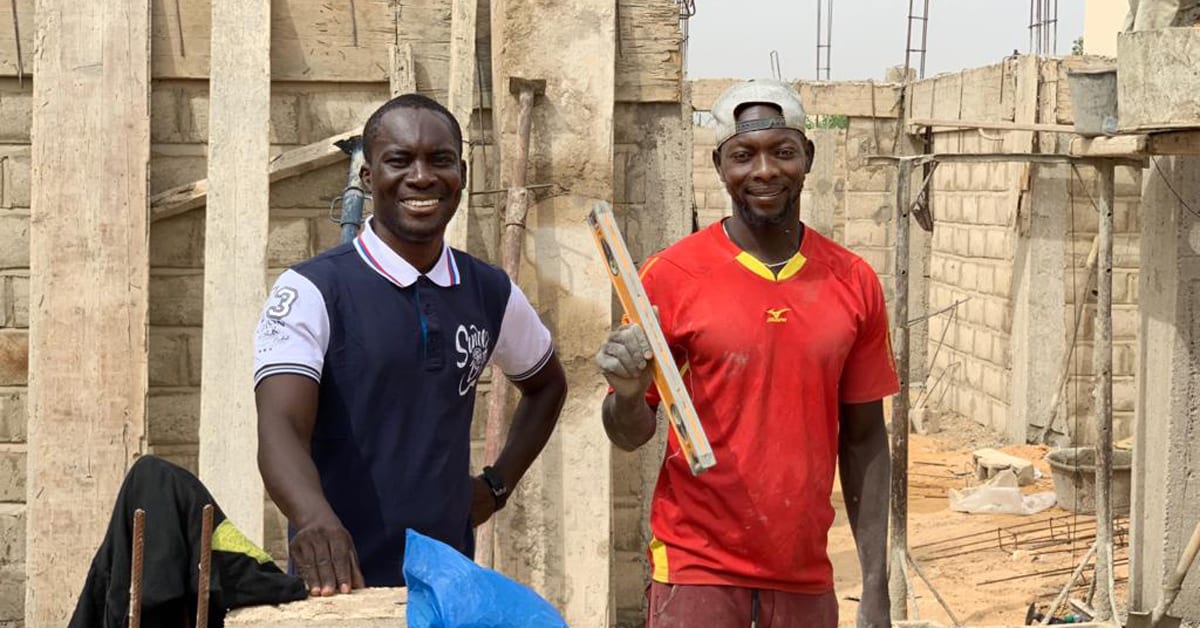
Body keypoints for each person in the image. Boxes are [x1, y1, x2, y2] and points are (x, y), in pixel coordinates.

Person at [596, 79, 898, 628]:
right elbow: (628, 431)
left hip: (805, 574)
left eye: (782, 152)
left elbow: (865, 439)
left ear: (807, 157)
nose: (764, 171)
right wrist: (630, 393)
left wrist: (875, 588)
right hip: (696, 569)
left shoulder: (853, 282)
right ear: (719, 165)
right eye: (744, 155)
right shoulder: (669, 278)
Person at [254, 94, 568, 597]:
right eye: (398, 160)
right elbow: (280, 426)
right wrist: (312, 517)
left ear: (461, 174)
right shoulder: (313, 291)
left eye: (439, 160)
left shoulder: (489, 290)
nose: (421, 177)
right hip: (339, 589)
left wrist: (496, 486)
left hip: (443, 589)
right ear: (367, 177)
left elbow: (547, 386)